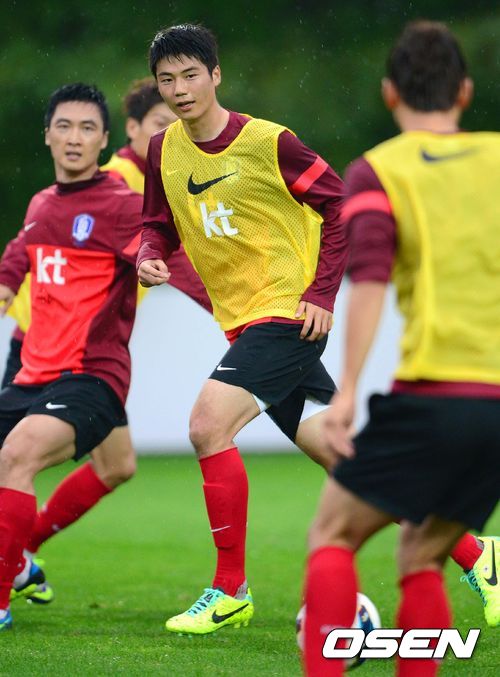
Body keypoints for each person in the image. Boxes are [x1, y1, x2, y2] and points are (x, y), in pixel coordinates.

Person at [303, 21, 500, 676]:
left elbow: (369, 281)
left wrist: (347, 395)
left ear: (390, 93)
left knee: (333, 533)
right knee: (421, 554)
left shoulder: (378, 170)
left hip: (438, 391)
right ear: (465, 91)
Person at [137, 23, 347, 634]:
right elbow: (158, 223)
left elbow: (339, 205)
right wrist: (148, 254)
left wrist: (321, 293)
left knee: (208, 425)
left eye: (190, 75)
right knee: (344, 457)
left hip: (286, 315)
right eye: (167, 80)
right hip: (243, 324)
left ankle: (230, 590)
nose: (180, 89)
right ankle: (478, 556)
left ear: (216, 75)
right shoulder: (163, 150)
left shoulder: (269, 142)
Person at [1, 79, 210, 608]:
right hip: (34, 358)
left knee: (21, 457)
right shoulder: (50, 200)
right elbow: (22, 249)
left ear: (103, 139)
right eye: (64, 127)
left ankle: (6, 581)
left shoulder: (126, 199)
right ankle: (16, 558)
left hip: (88, 370)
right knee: (112, 465)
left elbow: (168, 255)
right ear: (47, 135)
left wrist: (244, 317)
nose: (74, 138)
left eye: (86, 128)